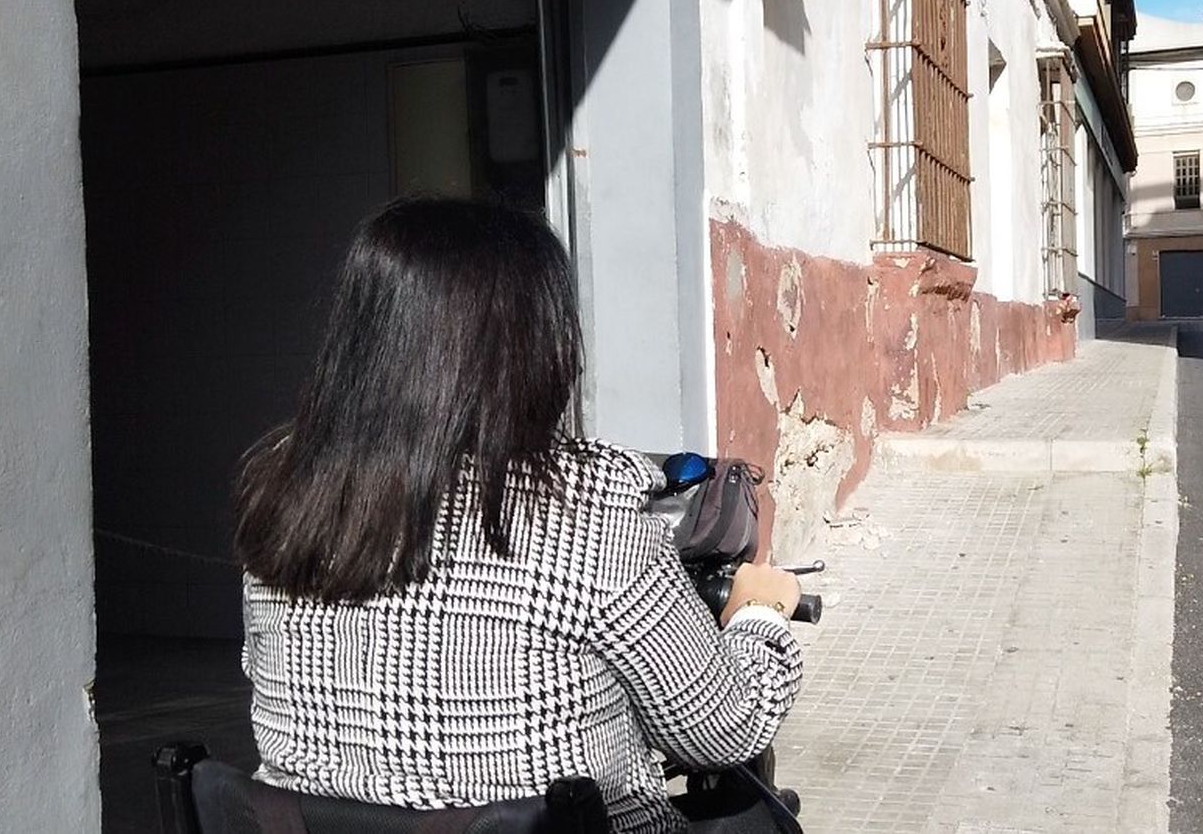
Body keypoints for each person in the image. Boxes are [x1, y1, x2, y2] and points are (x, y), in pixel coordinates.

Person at [232, 197, 804, 833]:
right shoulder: (584, 514)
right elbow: (720, 730)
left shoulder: (288, 499)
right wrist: (760, 614)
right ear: (537, 350)